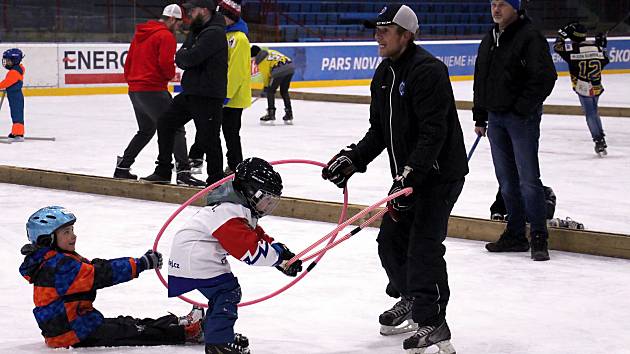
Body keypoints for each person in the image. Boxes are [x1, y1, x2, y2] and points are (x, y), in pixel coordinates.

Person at [322, 5, 468, 353]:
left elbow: (434, 132)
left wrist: (409, 175)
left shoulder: (428, 71)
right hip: (410, 177)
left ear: (407, 35)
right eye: (377, 29)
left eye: (386, 30)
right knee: (389, 242)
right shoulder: (385, 73)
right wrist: (353, 159)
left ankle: (433, 321)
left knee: (423, 247)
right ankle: (412, 301)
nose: (379, 35)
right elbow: (379, 130)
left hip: (438, 176)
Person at [168, 157, 303, 354]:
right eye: (265, 198)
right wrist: (276, 258)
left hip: (195, 256)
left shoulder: (236, 208)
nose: (268, 205)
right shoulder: (228, 213)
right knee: (227, 292)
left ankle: (215, 331)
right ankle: (218, 343)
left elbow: (255, 235)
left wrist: (279, 251)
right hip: (195, 258)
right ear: (250, 191)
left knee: (221, 293)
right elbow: (252, 252)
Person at [19, 206, 205, 348]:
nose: (73, 236)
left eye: (72, 230)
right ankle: (189, 332)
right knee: (134, 332)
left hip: (77, 324)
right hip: (73, 333)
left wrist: (140, 261)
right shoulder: (57, 266)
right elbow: (102, 274)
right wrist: (140, 264)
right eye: (66, 232)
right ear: (47, 240)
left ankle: (179, 323)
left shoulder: (53, 259)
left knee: (128, 322)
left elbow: (93, 267)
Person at [472, 0, 557, 261]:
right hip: (496, 119)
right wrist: (481, 114)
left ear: (516, 8)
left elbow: (545, 77)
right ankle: (516, 233)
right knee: (507, 182)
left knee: (528, 180)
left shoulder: (530, 36)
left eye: (502, 4)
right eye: (493, 4)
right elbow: (482, 77)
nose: (496, 9)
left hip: (521, 119)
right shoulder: (491, 37)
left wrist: (521, 109)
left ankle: (539, 235)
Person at [141, 0, 227, 186]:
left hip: (208, 95)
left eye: (193, 10)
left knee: (209, 138)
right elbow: (182, 57)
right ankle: (163, 170)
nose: (189, 13)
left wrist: (186, 55)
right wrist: (186, 55)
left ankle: (216, 180)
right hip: (191, 92)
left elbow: (190, 57)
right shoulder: (198, 31)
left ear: (204, 10)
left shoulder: (214, 33)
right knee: (165, 123)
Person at [115, 4, 191, 181]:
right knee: (176, 127)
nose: (180, 27)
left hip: (135, 90)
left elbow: (129, 62)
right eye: (179, 23)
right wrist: (170, 75)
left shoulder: (141, 34)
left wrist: (133, 82)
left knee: (146, 129)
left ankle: (123, 167)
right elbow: (166, 65)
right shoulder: (166, 36)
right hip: (153, 89)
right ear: (172, 19)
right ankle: (184, 172)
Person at [189, 0, 252, 176]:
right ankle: (196, 156)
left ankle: (235, 166)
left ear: (230, 18)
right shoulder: (220, 34)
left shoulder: (239, 39)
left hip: (232, 98)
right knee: (209, 129)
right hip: (217, 93)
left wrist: (225, 95)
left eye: (222, 15)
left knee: (230, 133)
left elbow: (236, 71)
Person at [554, 22, 610, 156]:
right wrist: (601, 44)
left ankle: (598, 140)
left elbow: (557, 46)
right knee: (594, 111)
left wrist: (562, 34)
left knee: (590, 114)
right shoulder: (596, 48)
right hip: (596, 84)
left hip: (583, 86)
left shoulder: (573, 51)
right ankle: (600, 136)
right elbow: (605, 59)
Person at [251, 45, 295, 124]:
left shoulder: (261, 61)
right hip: (290, 67)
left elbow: (266, 76)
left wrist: (265, 88)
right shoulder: (270, 52)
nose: (253, 60)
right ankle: (289, 113)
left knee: (270, 91)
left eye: (252, 58)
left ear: (255, 56)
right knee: (284, 91)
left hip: (279, 70)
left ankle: (271, 114)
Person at [1, 48, 26, 142]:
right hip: (14, 95)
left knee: (16, 114)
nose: (6, 62)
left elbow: (6, 83)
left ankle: (18, 134)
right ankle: (17, 132)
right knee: (15, 114)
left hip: (15, 96)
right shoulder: (17, 69)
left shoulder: (14, 72)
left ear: (15, 61)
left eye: (8, 61)